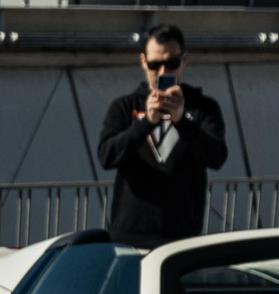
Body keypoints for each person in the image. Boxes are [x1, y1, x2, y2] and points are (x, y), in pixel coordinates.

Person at [97, 23, 231, 249]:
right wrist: (145, 123)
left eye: (172, 63)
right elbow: (106, 156)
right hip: (129, 238)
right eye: (154, 64)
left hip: (182, 239)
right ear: (143, 61)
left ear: (184, 60)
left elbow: (216, 157)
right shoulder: (124, 106)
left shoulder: (203, 108)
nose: (163, 73)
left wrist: (182, 120)